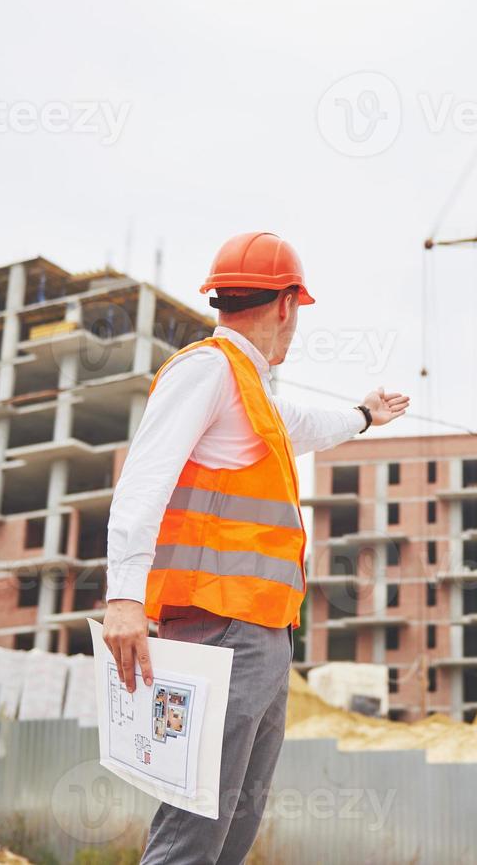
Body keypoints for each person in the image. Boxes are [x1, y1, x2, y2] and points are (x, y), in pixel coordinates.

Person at [103, 231, 409, 865]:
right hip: (221, 629)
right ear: (286, 306)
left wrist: (362, 414)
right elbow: (142, 483)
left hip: (261, 631)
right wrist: (123, 599)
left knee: (231, 829)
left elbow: (303, 425)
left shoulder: (253, 389)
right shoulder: (208, 369)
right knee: (195, 826)